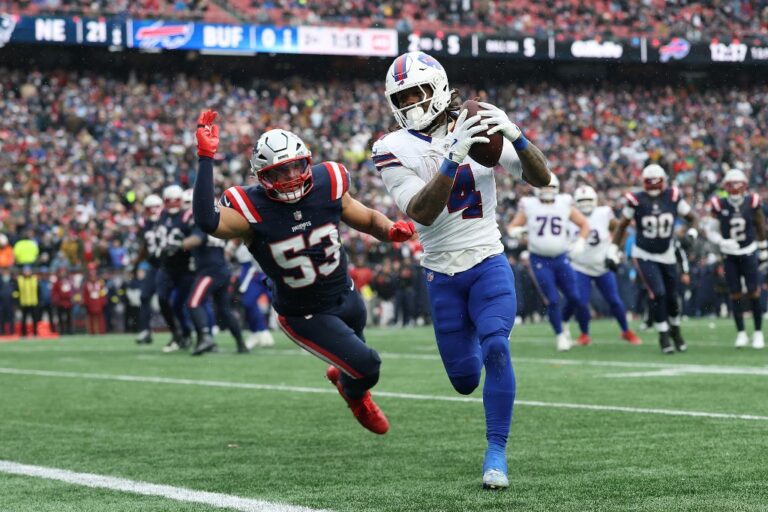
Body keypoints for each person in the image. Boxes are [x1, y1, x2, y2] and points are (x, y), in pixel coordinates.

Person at [373, 51, 551, 489]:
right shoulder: (391, 148)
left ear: (438, 87)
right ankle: (471, 348)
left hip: (488, 261)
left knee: (497, 348)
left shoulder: (476, 125)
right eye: (403, 97)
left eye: (417, 92)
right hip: (441, 274)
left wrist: (518, 137)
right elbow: (423, 212)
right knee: (465, 380)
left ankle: (496, 454)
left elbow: (542, 178)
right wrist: (452, 158)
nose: (411, 103)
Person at [192, 110, 415, 436]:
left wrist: (388, 230)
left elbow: (365, 218)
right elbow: (206, 221)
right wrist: (205, 158)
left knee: (356, 364)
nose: (292, 176)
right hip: (304, 313)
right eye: (280, 172)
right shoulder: (251, 209)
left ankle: (346, 380)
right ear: (262, 177)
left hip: (347, 295)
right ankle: (356, 397)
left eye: (297, 166)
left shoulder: (328, 183)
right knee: (367, 367)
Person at [608, 164, 698, 354]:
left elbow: (692, 218)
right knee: (658, 293)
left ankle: (675, 331)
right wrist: (613, 250)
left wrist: (691, 232)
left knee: (673, 297)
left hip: (667, 253)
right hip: (644, 253)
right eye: (651, 183)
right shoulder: (636, 200)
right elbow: (622, 225)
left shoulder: (673, 196)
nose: (655, 187)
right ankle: (663, 335)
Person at [508, 175, 592, 351]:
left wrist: (581, 242)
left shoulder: (564, 203)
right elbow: (512, 227)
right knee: (552, 300)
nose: (547, 191)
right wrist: (517, 231)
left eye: (550, 187)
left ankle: (565, 322)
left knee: (575, 297)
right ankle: (560, 335)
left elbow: (584, 224)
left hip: (561, 257)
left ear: (557, 188)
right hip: (539, 259)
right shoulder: (529, 205)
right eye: (544, 187)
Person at [563, 185, 641, 345]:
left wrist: (616, 252)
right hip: (580, 266)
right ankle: (584, 334)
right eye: (581, 201)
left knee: (614, 300)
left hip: (602, 265)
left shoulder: (603, 214)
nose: (585, 204)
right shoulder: (569, 217)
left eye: (588, 200)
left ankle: (626, 330)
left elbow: (622, 231)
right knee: (581, 302)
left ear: (595, 201)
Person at [181, 189, 248, 356]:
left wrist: (180, 244)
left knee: (193, 303)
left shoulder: (201, 219)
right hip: (221, 268)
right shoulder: (218, 219)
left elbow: (197, 239)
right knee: (224, 309)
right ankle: (241, 343)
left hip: (210, 271)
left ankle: (205, 338)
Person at [705, 169, 766, 349]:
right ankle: (740, 332)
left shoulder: (752, 202)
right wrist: (722, 241)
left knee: (754, 292)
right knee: (735, 293)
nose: (736, 189)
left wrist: (763, 248)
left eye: (738, 185)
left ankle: (757, 332)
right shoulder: (719, 204)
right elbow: (711, 230)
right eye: (732, 185)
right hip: (730, 255)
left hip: (748, 250)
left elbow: (760, 225)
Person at [156, 185, 196, 352]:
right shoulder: (162, 215)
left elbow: (195, 237)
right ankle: (176, 333)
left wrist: (181, 246)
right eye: (169, 201)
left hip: (185, 266)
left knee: (181, 303)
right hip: (167, 265)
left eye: (176, 201)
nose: (172, 204)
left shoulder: (188, 215)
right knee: (162, 299)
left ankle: (189, 333)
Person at [134, 194, 163, 344]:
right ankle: (145, 330)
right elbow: (145, 247)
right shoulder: (145, 224)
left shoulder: (166, 220)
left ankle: (183, 331)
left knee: (168, 300)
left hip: (167, 266)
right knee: (145, 296)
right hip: (153, 266)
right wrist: (137, 263)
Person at [15, 265, 40, 337]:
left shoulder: (35, 279)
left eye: (28, 271)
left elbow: (38, 291)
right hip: (24, 302)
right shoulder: (20, 280)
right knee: (23, 319)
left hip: (33, 302)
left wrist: (39, 301)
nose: (27, 272)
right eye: (25, 271)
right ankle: (23, 333)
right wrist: (17, 301)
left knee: (34, 319)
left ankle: (35, 333)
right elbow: (16, 291)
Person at [51, 266, 74, 334]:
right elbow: (54, 293)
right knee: (60, 318)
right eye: (61, 272)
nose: (62, 274)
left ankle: (69, 331)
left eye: (63, 272)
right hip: (60, 303)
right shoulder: (57, 282)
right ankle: (62, 331)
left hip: (68, 303)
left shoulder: (69, 281)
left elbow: (72, 291)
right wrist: (57, 299)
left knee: (69, 318)